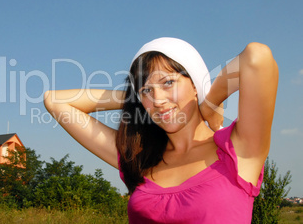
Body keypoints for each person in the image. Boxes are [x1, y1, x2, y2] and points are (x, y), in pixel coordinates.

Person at [43, 37, 278, 223]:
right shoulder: (140, 158)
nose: (158, 100)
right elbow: (55, 101)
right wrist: (134, 98)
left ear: (195, 84)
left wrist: (209, 102)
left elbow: (257, 58)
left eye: (168, 83)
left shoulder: (237, 149)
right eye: (146, 90)